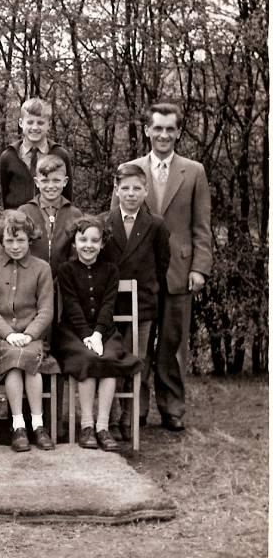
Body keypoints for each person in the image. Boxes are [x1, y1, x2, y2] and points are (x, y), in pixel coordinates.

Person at [117, 102, 212, 431]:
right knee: (136, 345)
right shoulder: (130, 169)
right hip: (137, 276)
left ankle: (173, 408)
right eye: (157, 128)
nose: (163, 135)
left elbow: (202, 225)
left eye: (170, 129)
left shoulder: (194, 171)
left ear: (178, 133)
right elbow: (116, 224)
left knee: (172, 344)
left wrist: (199, 267)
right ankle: (136, 409)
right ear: (147, 130)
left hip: (178, 273)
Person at [55, 216, 142, 452]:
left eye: (95, 240)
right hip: (73, 332)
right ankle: (87, 425)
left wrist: (98, 334)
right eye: (83, 239)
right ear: (74, 242)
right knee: (88, 358)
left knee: (108, 360)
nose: (88, 245)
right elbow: (71, 306)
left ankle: (103, 426)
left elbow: (108, 305)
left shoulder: (111, 270)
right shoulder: (66, 270)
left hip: (105, 332)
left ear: (103, 244)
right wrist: (86, 335)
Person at [101, 163, 171, 440]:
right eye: (125, 188)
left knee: (138, 357)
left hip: (142, 305)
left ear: (145, 191)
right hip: (111, 305)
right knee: (114, 358)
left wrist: (148, 290)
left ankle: (132, 414)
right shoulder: (104, 222)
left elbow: (162, 263)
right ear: (117, 190)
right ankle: (114, 416)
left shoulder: (156, 225)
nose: (131, 194)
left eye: (137, 189)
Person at [0, 210, 56, 452]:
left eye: (20, 240)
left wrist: (29, 334)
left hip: (31, 338)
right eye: (9, 241)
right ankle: (19, 425)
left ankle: (38, 424)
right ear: (1, 241)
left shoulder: (42, 268)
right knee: (13, 359)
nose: (15, 246)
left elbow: (45, 310)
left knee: (29, 358)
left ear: (30, 239)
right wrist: (8, 334)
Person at [0, 97, 74, 210]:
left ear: (48, 124)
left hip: (50, 219)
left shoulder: (60, 155)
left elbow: (67, 196)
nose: (35, 127)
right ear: (20, 123)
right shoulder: (8, 156)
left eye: (40, 122)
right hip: (18, 220)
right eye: (30, 122)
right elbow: (4, 194)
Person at [19, 154, 82, 276]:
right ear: (37, 182)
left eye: (56, 180)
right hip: (31, 278)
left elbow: (76, 253)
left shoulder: (75, 214)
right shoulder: (24, 212)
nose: (51, 186)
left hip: (64, 281)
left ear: (65, 182)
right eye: (45, 181)